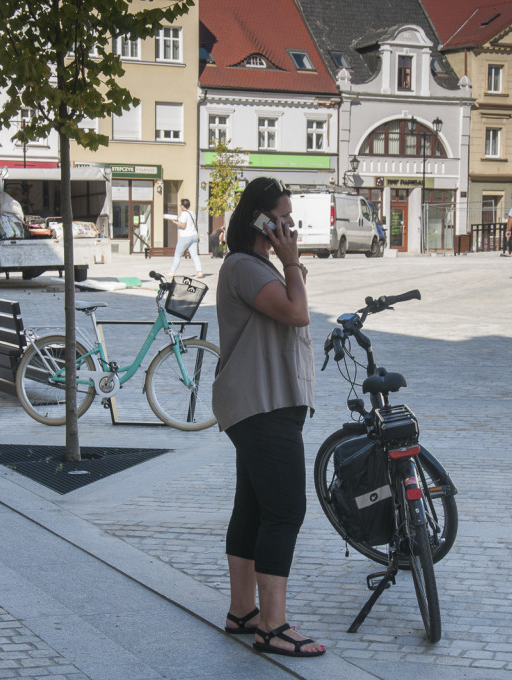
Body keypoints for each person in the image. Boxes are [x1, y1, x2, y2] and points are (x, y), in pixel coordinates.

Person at [212, 176, 324, 658]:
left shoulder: (249, 265)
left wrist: (284, 262)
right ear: (260, 219)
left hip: (260, 403)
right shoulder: (246, 266)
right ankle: (273, 626)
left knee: (254, 507)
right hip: (264, 405)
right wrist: (292, 261)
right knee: (285, 512)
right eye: (281, 217)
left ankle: (243, 612)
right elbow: (297, 314)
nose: (289, 224)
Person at [166, 199, 202, 279]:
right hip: (194, 235)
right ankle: (199, 272)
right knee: (194, 255)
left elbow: (183, 226)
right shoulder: (192, 213)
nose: (180, 206)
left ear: (183, 206)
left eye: (180, 205)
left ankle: (172, 272)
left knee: (177, 254)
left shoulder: (184, 214)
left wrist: (173, 221)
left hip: (185, 236)